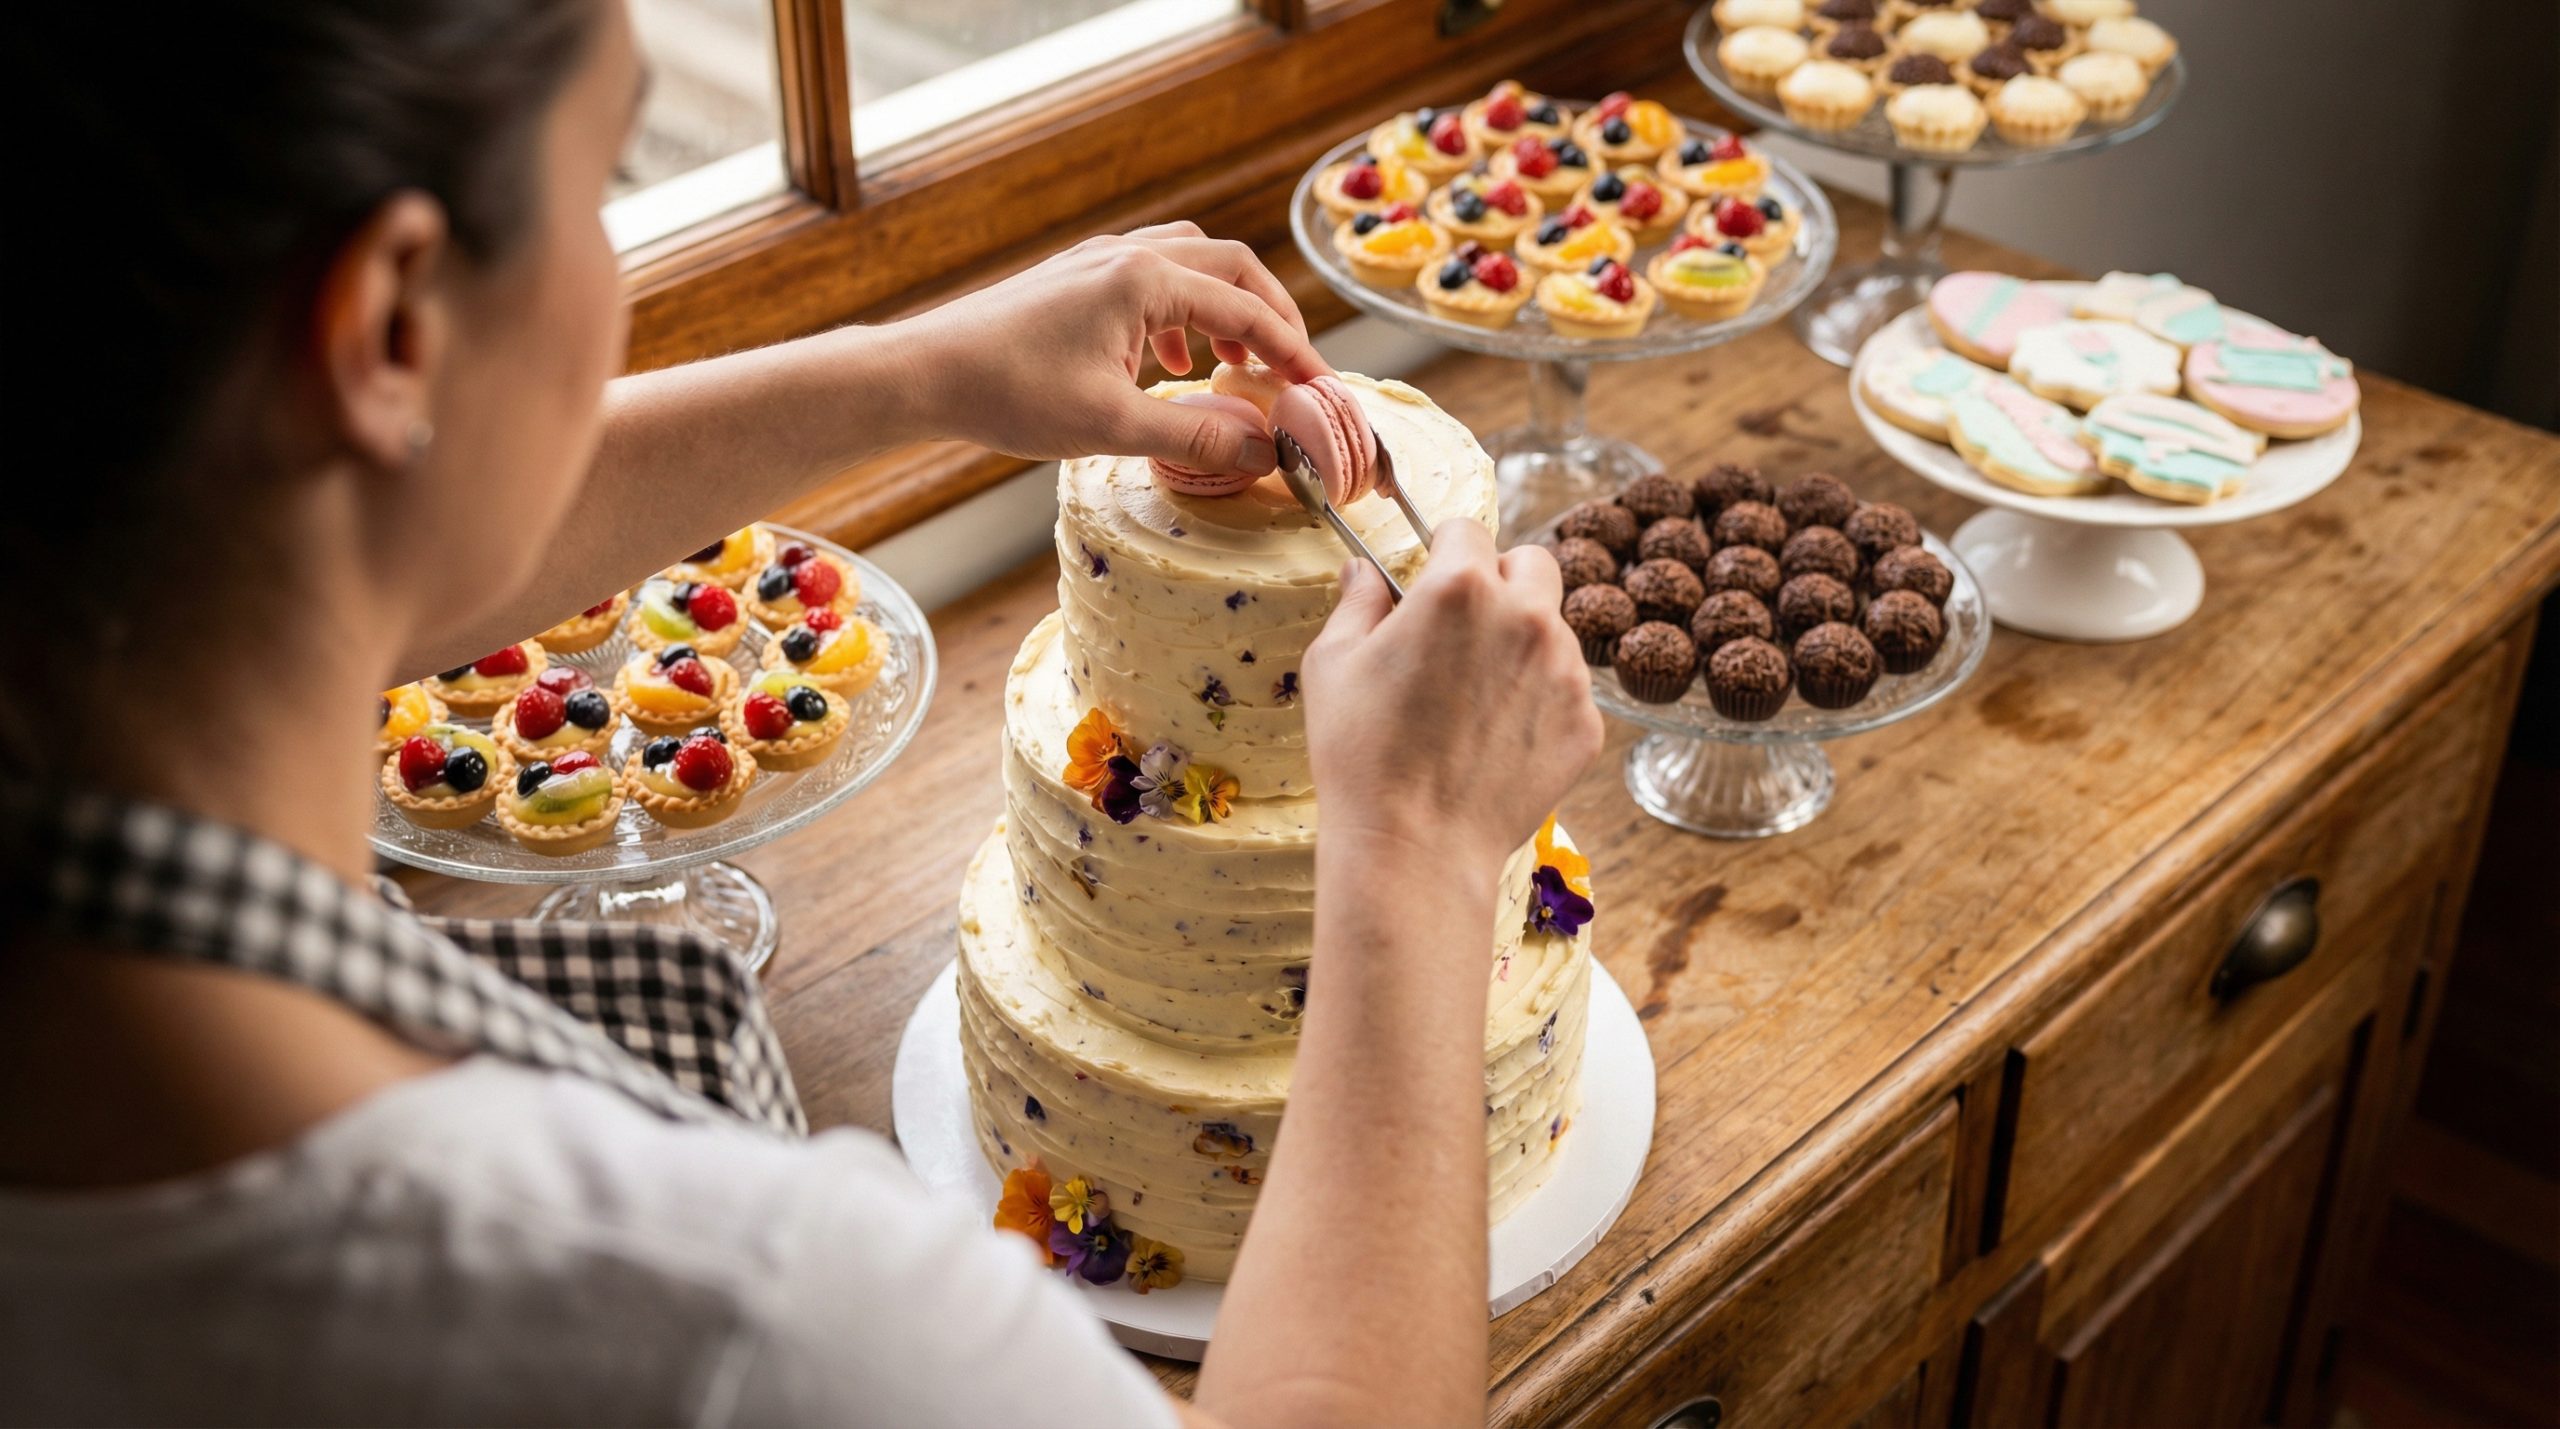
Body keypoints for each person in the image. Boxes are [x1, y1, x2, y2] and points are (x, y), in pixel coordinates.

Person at [0, 3, 1603, 1425]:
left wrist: (909, 373)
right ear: (394, 328)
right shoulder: (759, 1323)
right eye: (605, 183)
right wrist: (1408, 851)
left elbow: (347, 519)